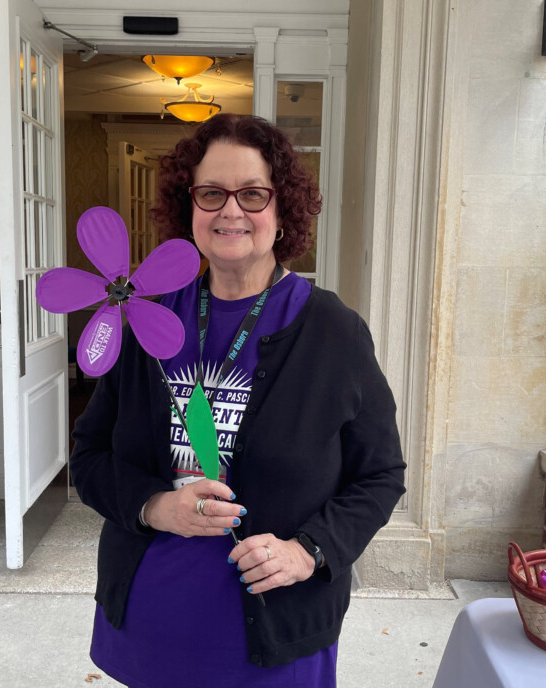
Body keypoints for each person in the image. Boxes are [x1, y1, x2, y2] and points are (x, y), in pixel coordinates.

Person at [70, 114, 406, 687]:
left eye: (253, 193)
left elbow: (380, 475)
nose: (231, 211)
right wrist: (155, 506)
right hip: (152, 621)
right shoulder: (146, 319)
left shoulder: (333, 332)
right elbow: (90, 456)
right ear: (189, 208)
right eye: (211, 193)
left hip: (276, 634)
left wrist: (311, 550)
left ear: (282, 211)